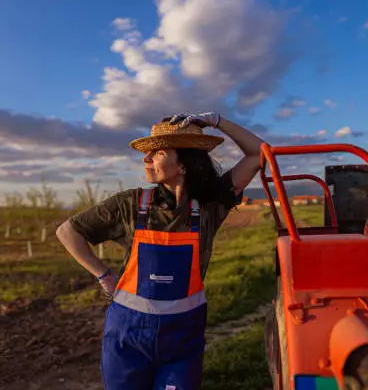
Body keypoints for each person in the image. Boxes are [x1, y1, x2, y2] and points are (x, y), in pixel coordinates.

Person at [56, 112, 265, 390]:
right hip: (127, 340)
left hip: (182, 343)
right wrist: (103, 276)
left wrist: (216, 120)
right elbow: (68, 232)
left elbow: (258, 154)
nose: (147, 158)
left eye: (158, 151)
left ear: (184, 164)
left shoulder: (210, 207)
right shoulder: (131, 204)